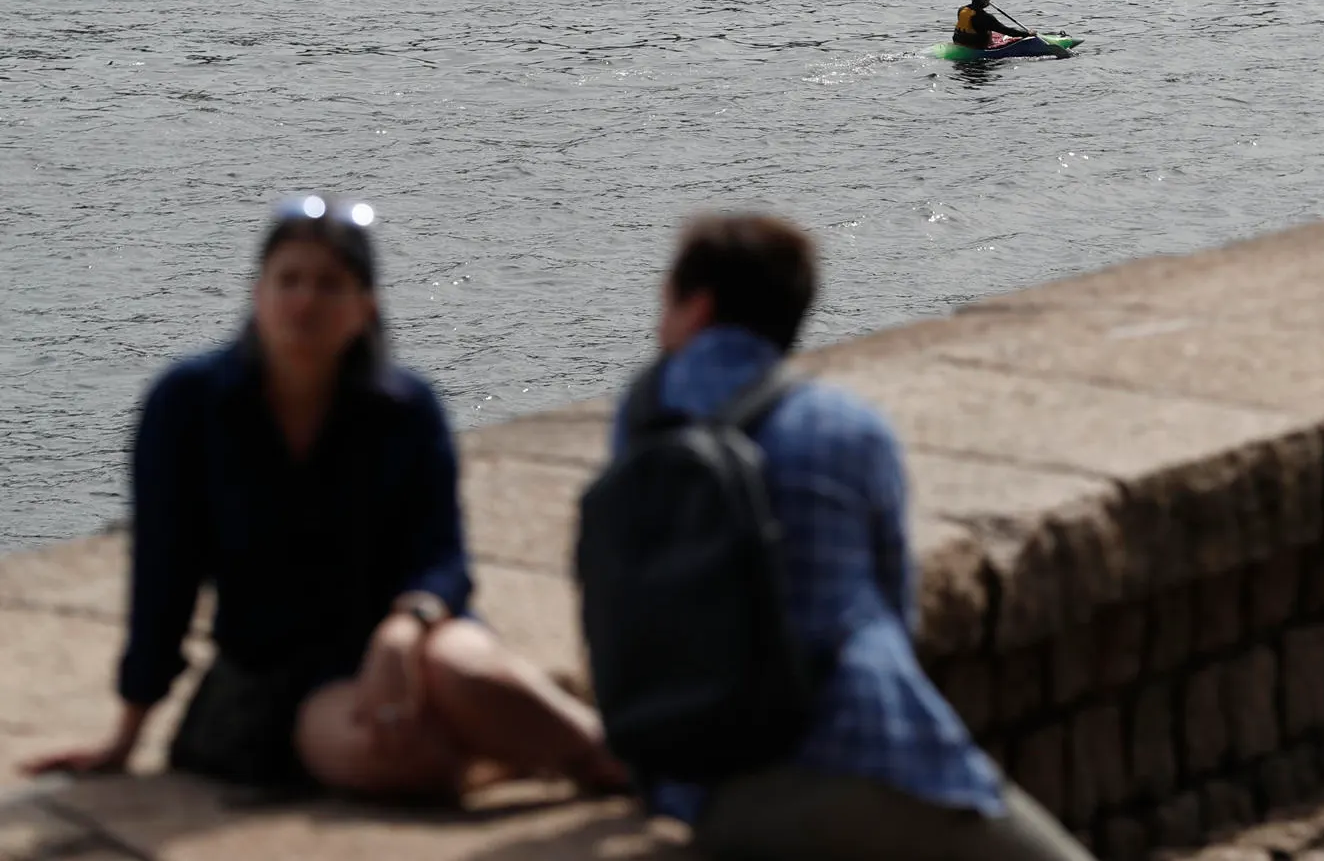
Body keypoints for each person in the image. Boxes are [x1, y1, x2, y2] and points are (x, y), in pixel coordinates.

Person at [22, 194, 625, 800]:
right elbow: (163, 575)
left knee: (462, 668)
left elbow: (442, 555)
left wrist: (405, 625)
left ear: (366, 308)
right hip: (289, 673)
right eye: (289, 280)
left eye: (330, 285)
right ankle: (511, 750)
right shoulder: (188, 406)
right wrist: (127, 732)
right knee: (404, 760)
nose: (305, 300)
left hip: (414, 633)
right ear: (258, 295)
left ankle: (619, 760)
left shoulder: (406, 408)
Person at [614, 212, 1093, 861]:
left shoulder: (641, 427)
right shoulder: (845, 427)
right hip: (862, 750)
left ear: (697, 309)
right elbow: (895, 612)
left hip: (704, 786)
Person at [952, 0, 1032, 50]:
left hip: (960, 42)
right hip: (978, 47)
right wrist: (1027, 33)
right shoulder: (985, 18)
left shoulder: (962, 10)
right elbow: (1007, 31)